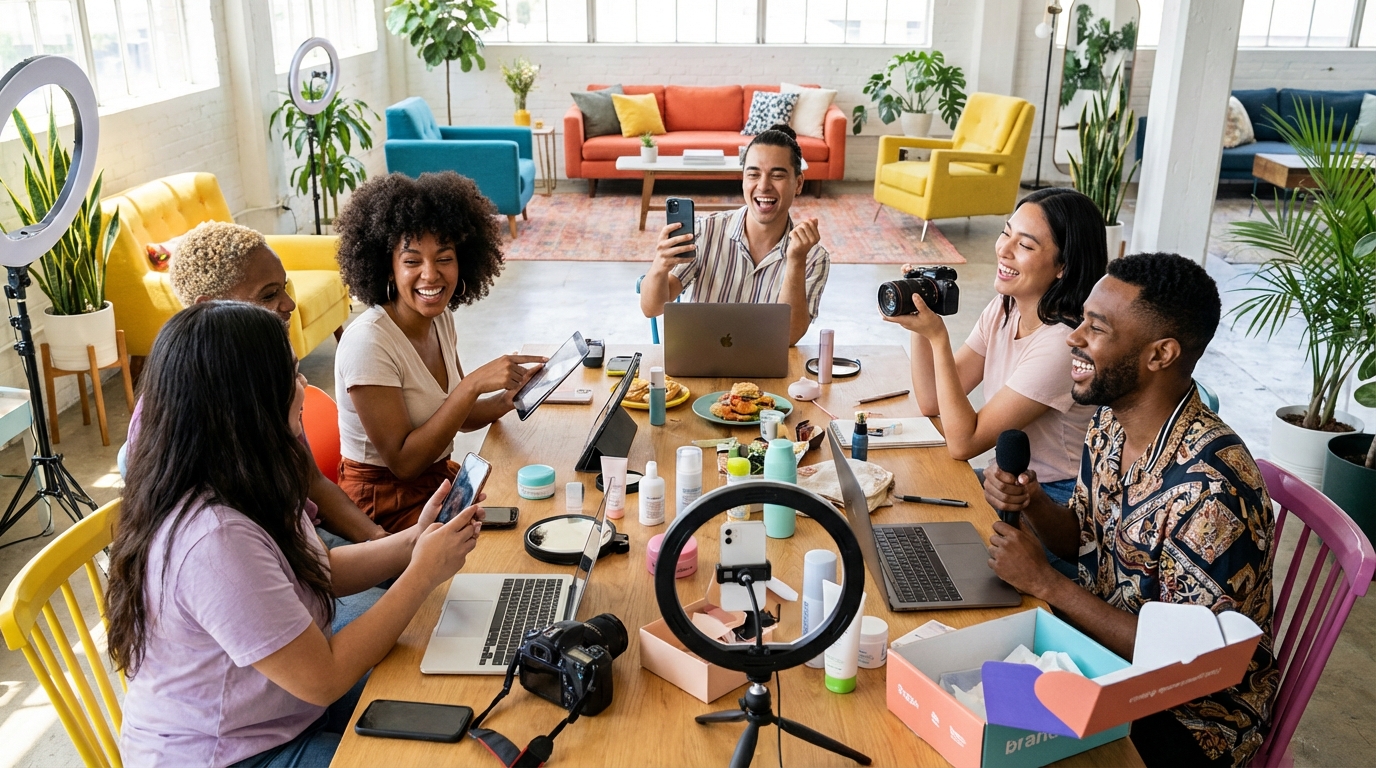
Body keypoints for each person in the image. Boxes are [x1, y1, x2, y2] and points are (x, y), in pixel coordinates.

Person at [108, 301, 485, 767]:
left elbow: (316, 568)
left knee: (453, 694)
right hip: (232, 754)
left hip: (283, 713)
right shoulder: (214, 539)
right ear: (247, 402)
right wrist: (421, 575)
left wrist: (412, 542)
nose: (305, 386)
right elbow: (324, 677)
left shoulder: (243, 476)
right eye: (291, 375)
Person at [983, 253, 1277, 767]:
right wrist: (1031, 503)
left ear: (1160, 354)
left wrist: (1049, 586)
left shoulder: (1212, 493)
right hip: (1104, 656)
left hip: (1191, 719)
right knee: (975, 693)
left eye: (1096, 329)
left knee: (1001, 742)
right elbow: (1083, 537)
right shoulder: (1111, 422)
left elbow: (1189, 664)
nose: (1073, 338)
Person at [129, 220, 387, 545]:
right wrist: (396, 556)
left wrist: (381, 540)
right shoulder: (178, 422)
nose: (289, 304)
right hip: (276, 558)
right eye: (268, 295)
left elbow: (312, 481)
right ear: (211, 307)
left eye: (284, 287)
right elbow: (266, 557)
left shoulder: (267, 373)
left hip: (308, 539)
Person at [333, 172, 545, 533]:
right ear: (388, 266)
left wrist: (512, 397)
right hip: (383, 504)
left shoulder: (439, 319)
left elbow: (456, 415)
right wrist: (474, 383)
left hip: (434, 483)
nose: (430, 276)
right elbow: (404, 463)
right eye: (412, 261)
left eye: (444, 258)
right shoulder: (369, 343)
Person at [884, 187, 1107, 507]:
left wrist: (938, 337)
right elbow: (932, 400)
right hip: (1006, 479)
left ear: (1063, 267)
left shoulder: (1062, 345)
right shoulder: (1005, 309)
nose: (1004, 249)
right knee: (900, 489)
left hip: (1054, 498)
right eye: (1006, 233)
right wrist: (918, 311)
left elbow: (964, 442)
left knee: (917, 507)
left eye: (1026, 244)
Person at [639, 124, 830, 345]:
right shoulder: (705, 231)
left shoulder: (814, 257)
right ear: (743, 179)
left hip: (766, 373)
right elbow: (651, 307)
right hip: (700, 364)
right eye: (753, 174)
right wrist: (659, 266)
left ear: (798, 183)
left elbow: (788, 337)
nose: (764, 185)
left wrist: (796, 260)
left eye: (777, 175)